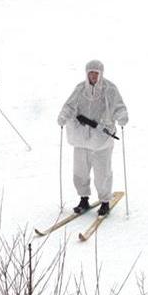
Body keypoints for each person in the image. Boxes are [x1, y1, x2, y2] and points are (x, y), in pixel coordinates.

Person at [57, 60, 128, 216]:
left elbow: (118, 106)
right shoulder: (80, 89)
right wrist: (63, 116)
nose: (93, 76)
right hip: (81, 139)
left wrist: (122, 116)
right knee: (79, 172)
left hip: (101, 140)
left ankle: (104, 201)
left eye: (96, 73)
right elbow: (69, 106)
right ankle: (84, 199)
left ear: (101, 74)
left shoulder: (110, 89)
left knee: (102, 173)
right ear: (87, 73)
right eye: (91, 73)